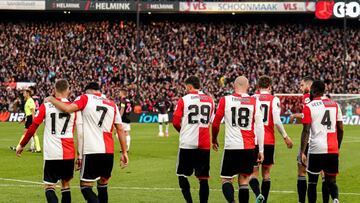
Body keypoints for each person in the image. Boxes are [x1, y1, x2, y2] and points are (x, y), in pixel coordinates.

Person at [46, 82, 129, 203]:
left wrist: (51, 99)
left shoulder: (85, 98)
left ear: (87, 91)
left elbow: (67, 109)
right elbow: (120, 129)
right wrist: (124, 152)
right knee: (103, 184)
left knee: (85, 187)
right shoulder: (112, 104)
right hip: (108, 152)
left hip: (92, 150)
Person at [16, 80, 82, 203]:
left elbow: (33, 126)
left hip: (51, 153)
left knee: (49, 186)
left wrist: (22, 144)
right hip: (68, 153)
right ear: (68, 90)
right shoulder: (74, 108)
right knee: (66, 185)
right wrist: (79, 155)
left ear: (54, 90)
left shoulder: (46, 106)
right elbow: (80, 134)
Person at [212, 76, 265, 203]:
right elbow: (260, 127)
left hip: (231, 146)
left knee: (226, 179)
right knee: (244, 181)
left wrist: (214, 139)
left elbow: (215, 123)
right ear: (247, 87)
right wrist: (261, 150)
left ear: (234, 86)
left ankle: (232, 202)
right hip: (248, 147)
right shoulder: (254, 102)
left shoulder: (225, 100)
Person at [249, 76, 293, 203]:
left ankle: (258, 195)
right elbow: (277, 121)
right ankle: (264, 200)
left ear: (258, 87)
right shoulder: (274, 99)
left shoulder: (252, 98)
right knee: (266, 174)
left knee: (253, 173)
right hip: (268, 140)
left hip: (254, 140)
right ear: (270, 87)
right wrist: (285, 136)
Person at [300, 80, 343, 203]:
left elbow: (306, 131)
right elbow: (340, 129)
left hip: (316, 149)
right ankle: (335, 198)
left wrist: (302, 152)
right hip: (332, 148)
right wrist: (337, 146)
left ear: (313, 90)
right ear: (324, 91)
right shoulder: (335, 105)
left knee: (312, 183)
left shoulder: (309, 107)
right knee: (331, 181)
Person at [172, 76, 214, 203]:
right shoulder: (210, 100)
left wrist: (183, 131)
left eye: (186, 87)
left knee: (182, 174)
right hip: (204, 143)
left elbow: (175, 121)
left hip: (187, 143)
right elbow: (210, 121)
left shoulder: (183, 100)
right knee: (203, 178)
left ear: (189, 86)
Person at [289, 76, 316, 203]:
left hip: (309, 139)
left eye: (301, 85)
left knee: (301, 172)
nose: (300, 88)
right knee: (320, 173)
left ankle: (301, 201)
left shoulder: (306, 97)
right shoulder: (321, 98)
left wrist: (296, 115)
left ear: (308, 86)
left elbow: (306, 120)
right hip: (322, 141)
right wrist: (297, 115)